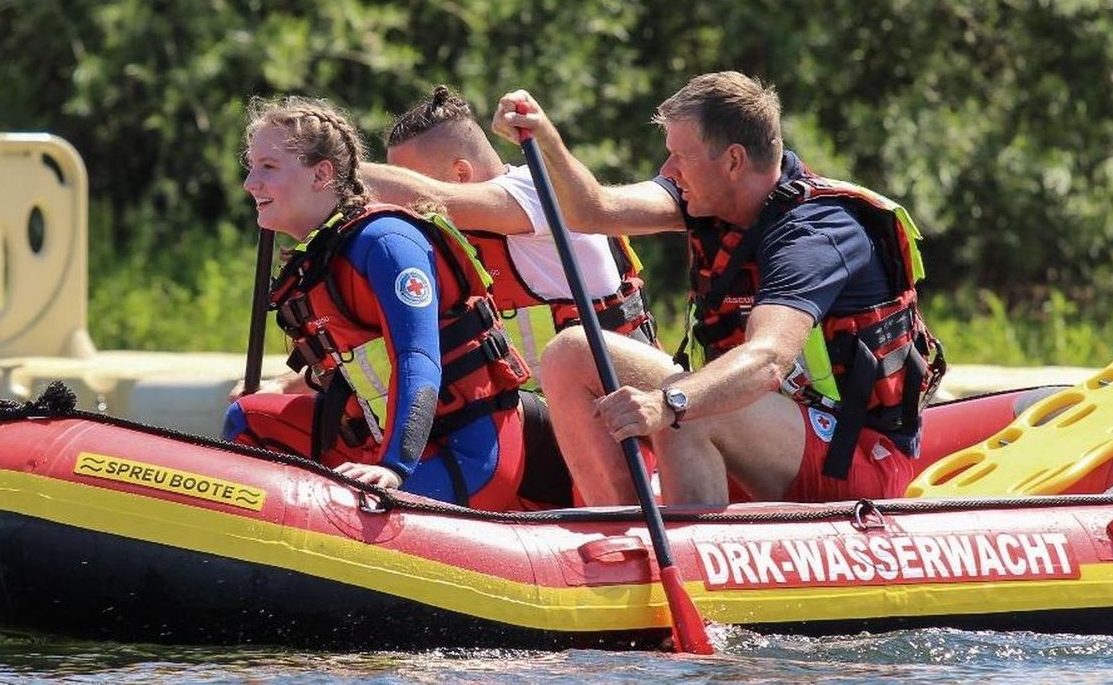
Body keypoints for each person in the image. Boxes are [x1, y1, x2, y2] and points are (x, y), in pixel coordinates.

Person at [489, 71, 947, 507]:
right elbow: (594, 210)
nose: (669, 169)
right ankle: (626, 536)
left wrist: (671, 403)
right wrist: (545, 138)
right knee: (571, 351)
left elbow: (768, 359)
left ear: (732, 160)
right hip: (769, 431)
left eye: (680, 157)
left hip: (854, 456)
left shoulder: (816, 235)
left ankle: (692, 564)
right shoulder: (707, 200)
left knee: (690, 408)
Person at [223, 95, 535, 511]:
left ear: (322, 174)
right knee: (247, 419)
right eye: (252, 165)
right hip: (379, 437)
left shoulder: (387, 242)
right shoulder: (325, 254)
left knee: (346, 509)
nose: (250, 183)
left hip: (465, 454)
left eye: (269, 167)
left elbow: (418, 358)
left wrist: (395, 467)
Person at [360, 85, 659, 380]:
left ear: (461, 174)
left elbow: (435, 197)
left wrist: (338, 165)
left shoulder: (534, 188)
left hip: (622, 394)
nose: (400, 200)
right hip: (551, 402)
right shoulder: (460, 234)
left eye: (403, 181)